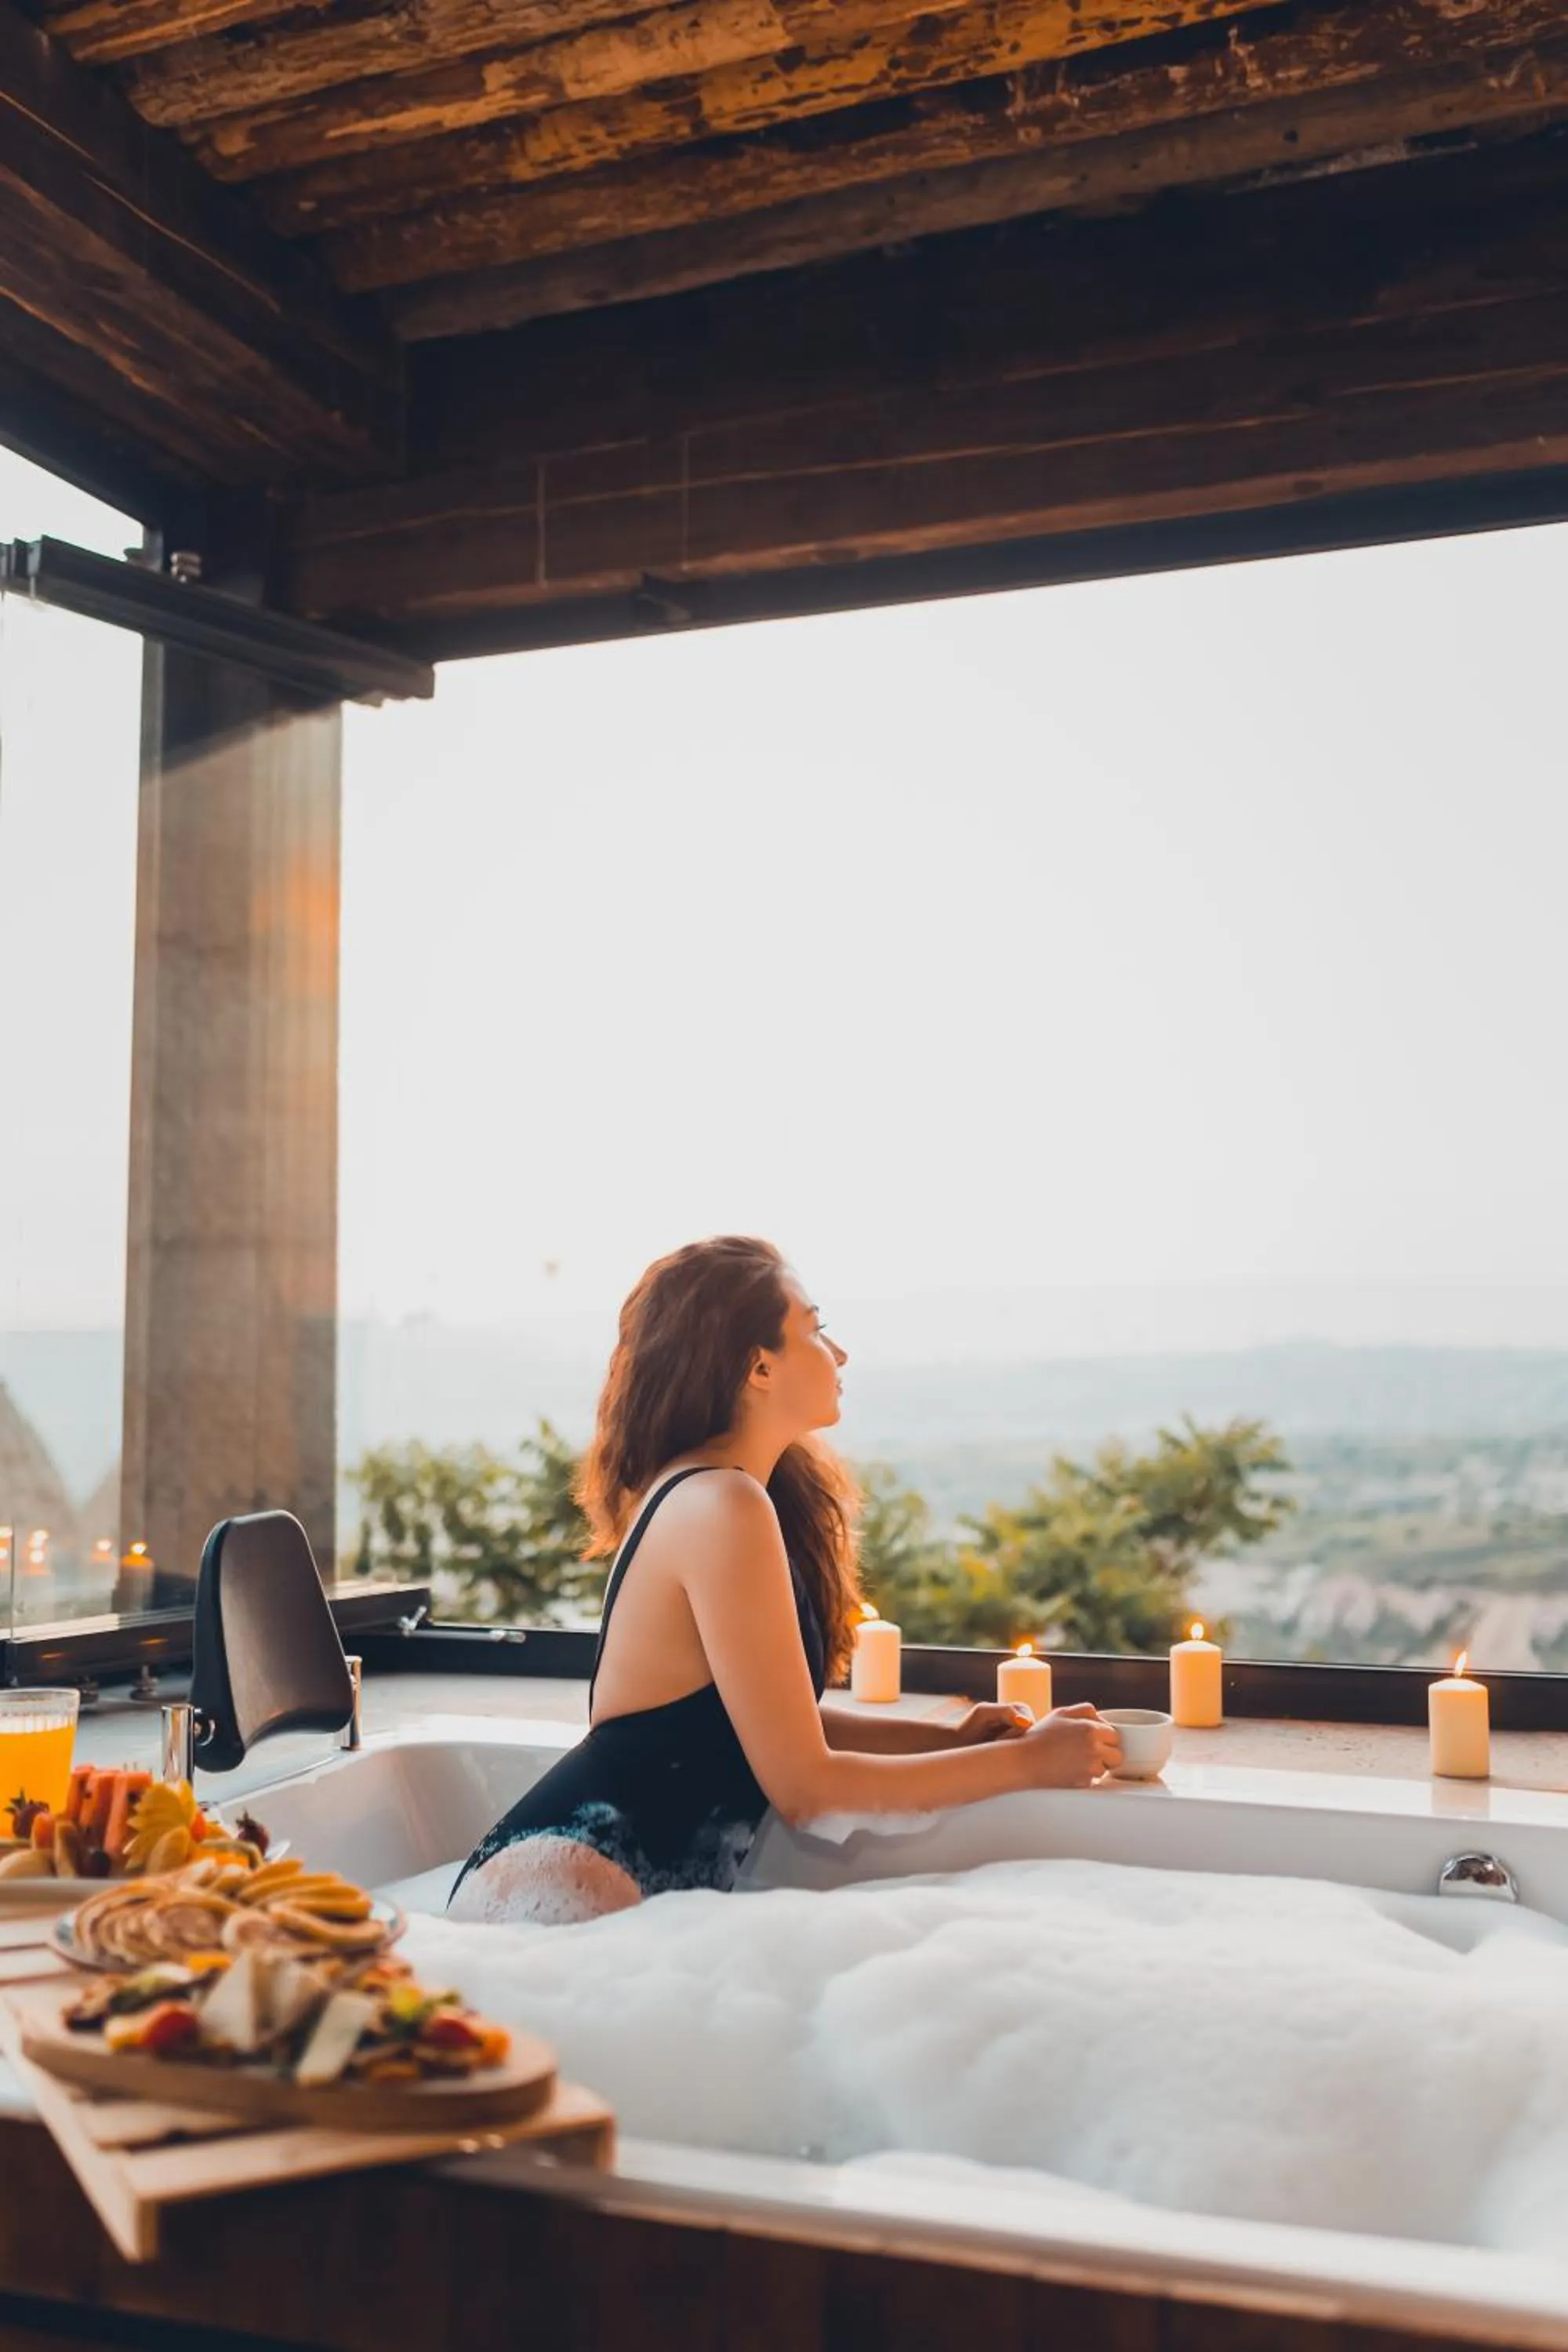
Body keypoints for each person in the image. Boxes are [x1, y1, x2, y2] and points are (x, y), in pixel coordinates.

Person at [448, 1236, 1121, 1925]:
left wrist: (949, 1739)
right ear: (759, 1365)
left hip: (574, 1896)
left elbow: (749, 1725)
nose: (840, 1353)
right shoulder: (722, 1505)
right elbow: (808, 1789)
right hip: (563, 1894)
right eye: (816, 1328)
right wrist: (1030, 1765)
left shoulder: (710, 1495)